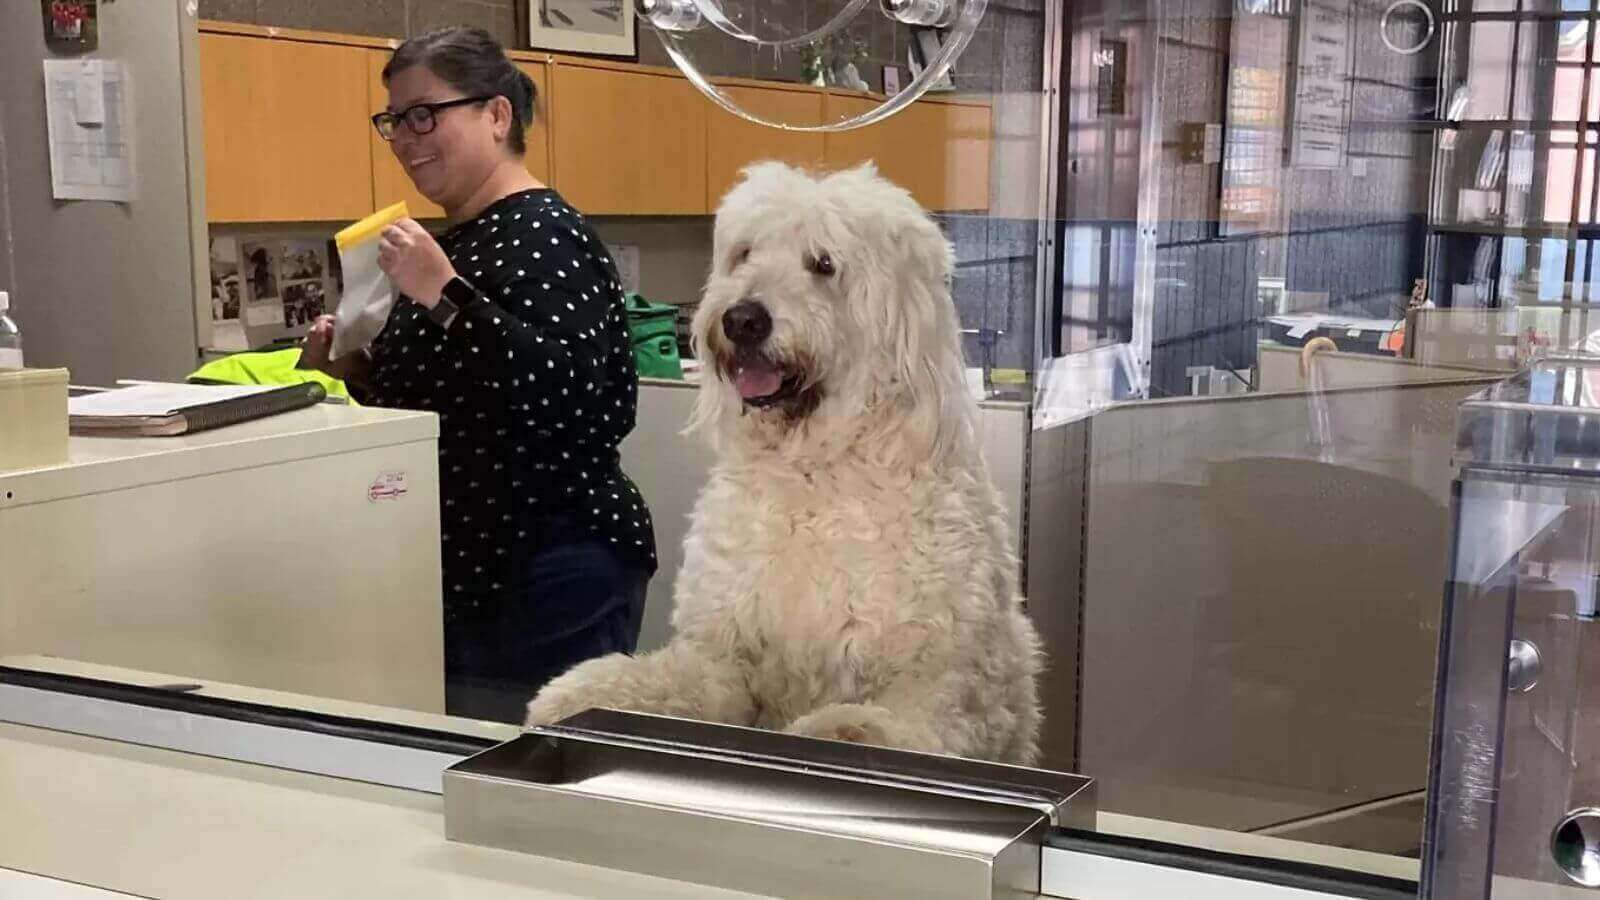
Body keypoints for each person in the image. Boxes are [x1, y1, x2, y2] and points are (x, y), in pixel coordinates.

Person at [300, 26, 657, 723]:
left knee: (547, 788)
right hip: (470, 574)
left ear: (497, 116)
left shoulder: (544, 230)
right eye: (394, 120)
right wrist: (352, 370)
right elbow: (461, 400)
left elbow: (573, 394)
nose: (406, 137)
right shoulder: (457, 241)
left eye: (425, 114)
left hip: (551, 568)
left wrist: (445, 292)